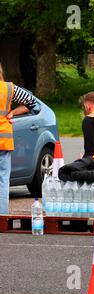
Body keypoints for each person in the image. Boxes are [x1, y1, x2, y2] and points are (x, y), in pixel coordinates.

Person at [0, 63, 38, 214]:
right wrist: (13, 113)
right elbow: (32, 102)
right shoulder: (9, 88)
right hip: (3, 140)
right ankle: (1, 217)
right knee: (3, 180)